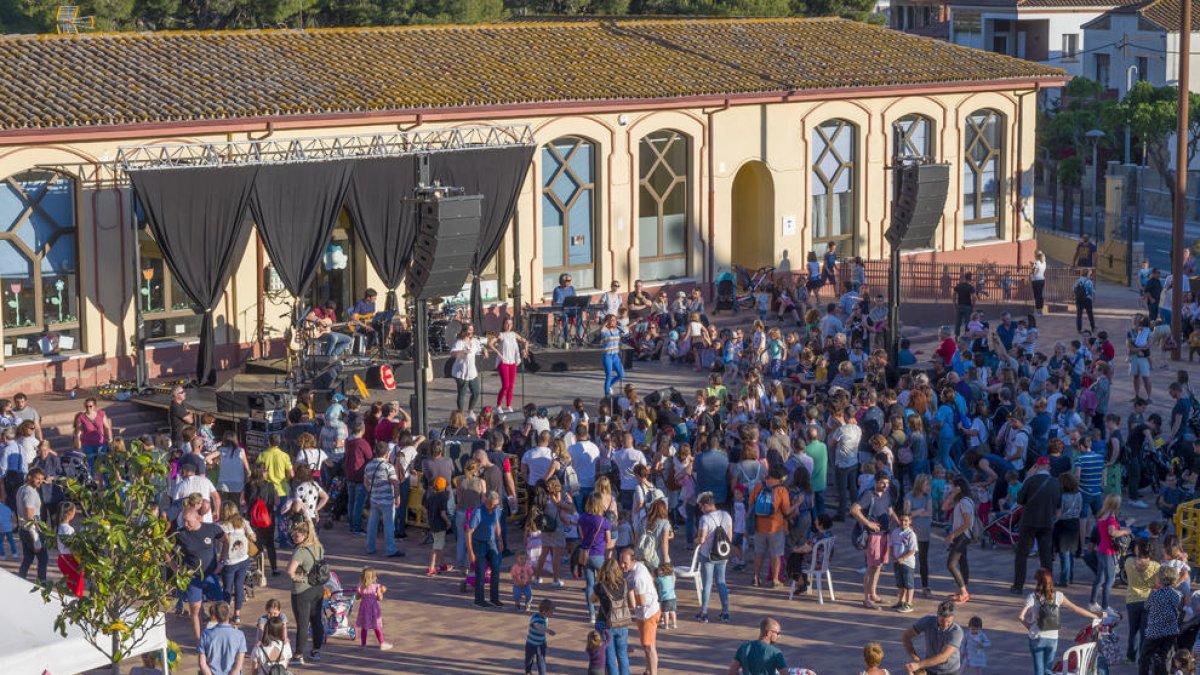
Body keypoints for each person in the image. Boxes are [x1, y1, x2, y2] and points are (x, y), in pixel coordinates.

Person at [1017, 568, 1101, 675]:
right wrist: (1095, 616)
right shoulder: (1058, 596)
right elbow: (1075, 608)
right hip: (1052, 638)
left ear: (1038, 582)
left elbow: (1020, 616)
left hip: (1036, 636)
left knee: (1039, 670)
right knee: (1048, 669)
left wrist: (1028, 625)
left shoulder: (1033, 597)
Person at [1011, 456, 1061, 594]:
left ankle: (1018, 586)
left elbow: (1020, 499)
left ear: (1036, 466)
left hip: (1029, 521)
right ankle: (1047, 587)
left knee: (1022, 554)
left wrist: (1028, 476)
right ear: (1049, 467)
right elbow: (1058, 504)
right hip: (1047, 522)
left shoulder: (1031, 480)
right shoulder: (1055, 483)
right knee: (1046, 556)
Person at [852, 471, 896, 609]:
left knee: (878, 566)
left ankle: (873, 593)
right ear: (876, 482)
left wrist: (900, 523)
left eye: (887, 483)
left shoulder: (887, 494)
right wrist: (868, 523)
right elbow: (854, 509)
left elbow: (890, 510)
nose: (885, 486)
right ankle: (866, 598)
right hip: (873, 536)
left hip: (884, 534)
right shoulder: (868, 494)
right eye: (882, 483)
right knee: (871, 567)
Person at [285, 519, 326, 664]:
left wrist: (297, 578)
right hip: (318, 588)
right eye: (293, 535)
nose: (294, 537)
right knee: (316, 621)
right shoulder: (319, 547)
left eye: (297, 535)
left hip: (302, 591)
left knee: (302, 624)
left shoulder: (300, 551)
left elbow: (289, 571)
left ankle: (298, 655)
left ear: (306, 535)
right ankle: (316, 651)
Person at [619, 547, 661, 675]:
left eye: (625, 563)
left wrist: (627, 599)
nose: (622, 565)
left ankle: (653, 672)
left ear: (633, 561)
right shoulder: (638, 567)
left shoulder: (638, 577)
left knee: (649, 646)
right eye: (621, 562)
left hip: (648, 613)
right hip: (644, 613)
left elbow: (641, 602)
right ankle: (648, 671)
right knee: (647, 645)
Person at [749, 465, 791, 589]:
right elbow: (787, 511)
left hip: (759, 526)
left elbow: (751, 503)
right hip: (776, 527)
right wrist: (796, 505)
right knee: (776, 554)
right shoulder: (781, 490)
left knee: (758, 553)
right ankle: (775, 579)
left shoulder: (759, 486)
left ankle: (755, 577)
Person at [1090, 494, 1132, 613]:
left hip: (1101, 549)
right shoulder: (1111, 517)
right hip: (1109, 551)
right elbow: (1112, 532)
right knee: (1110, 580)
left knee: (1099, 579)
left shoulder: (1102, 514)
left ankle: (1092, 602)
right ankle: (1105, 606)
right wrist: (1125, 531)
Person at [696, 491, 733, 623]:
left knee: (707, 584)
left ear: (706, 505)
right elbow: (729, 536)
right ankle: (725, 612)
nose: (701, 509)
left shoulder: (705, 519)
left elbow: (701, 539)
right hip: (723, 554)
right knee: (721, 582)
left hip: (708, 555)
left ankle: (704, 612)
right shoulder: (726, 515)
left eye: (701, 506)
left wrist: (696, 540)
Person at [217, 501, 255, 624]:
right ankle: (237, 614)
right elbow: (253, 537)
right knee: (239, 585)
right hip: (243, 558)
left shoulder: (221, 526)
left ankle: (225, 614)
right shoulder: (243, 522)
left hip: (229, 561)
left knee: (227, 587)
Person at [1139, 567, 1183, 674]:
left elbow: (1146, 606)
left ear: (1160, 579)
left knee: (1145, 656)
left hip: (1154, 631)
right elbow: (1179, 609)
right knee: (1166, 657)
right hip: (1171, 631)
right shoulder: (1177, 595)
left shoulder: (1155, 594)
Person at [901, 600, 964, 675]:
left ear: (953, 617)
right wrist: (914, 657)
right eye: (942, 621)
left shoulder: (956, 632)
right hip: (930, 669)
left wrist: (919, 665)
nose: (945, 625)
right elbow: (906, 636)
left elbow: (943, 657)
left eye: (948, 622)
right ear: (937, 615)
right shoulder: (927, 621)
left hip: (950, 672)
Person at [363, 443, 403, 558]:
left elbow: (366, 482)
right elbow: (395, 483)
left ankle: (370, 547)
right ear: (386, 453)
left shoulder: (369, 465)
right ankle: (390, 549)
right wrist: (397, 497)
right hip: (387, 500)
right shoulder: (388, 466)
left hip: (374, 499)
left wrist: (373, 490)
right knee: (389, 525)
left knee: (372, 524)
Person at [467, 491, 504, 609]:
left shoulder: (496, 509)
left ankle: (494, 598)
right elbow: (468, 532)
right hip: (479, 543)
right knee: (481, 571)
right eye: (492, 504)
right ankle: (479, 599)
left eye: (496, 505)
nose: (493, 507)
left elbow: (497, 524)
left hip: (491, 542)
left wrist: (500, 540)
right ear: (486, 501)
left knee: (496, 569)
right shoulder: (478, 512)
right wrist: (470, 552)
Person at [487, 317, 528, 414]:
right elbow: (490, 343)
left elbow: (526, 341)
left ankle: (509, 405)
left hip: (512, 362)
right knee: (505, 385)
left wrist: (525, 350)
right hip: (504, 362)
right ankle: (498, 405)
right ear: (503, 324)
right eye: (507, 323)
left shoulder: (514, 334)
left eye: (510, 324)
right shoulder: (501, 335)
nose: (509, 326)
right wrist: (498, 353)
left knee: (511, 386)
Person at [944, 477, 974, 604]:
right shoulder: (961, 501)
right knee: (962, 562)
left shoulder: (964, 502)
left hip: (962, 536)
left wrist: (953, 534)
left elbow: (967, 523)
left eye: (953, 486)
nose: (951, 488)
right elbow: (944, 507)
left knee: (951, 564)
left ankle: (964, 592)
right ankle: (963, 590)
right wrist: (953, 494)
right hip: (961, 536)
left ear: (959, 487)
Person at [198, 601, 247, 675]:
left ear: (215, 615)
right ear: (229, 614)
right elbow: (238, 666)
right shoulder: (239, 635)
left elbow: (202, 664)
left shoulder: (205, 634)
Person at [451, 323, 489, 415]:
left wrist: (484, 351)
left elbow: (480, 349)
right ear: (465, 331)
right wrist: (464, 351)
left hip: (472, 372)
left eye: (472, 330)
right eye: (470, 330)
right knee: (462, 393)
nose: (472, 332)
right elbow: (453, 354)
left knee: (476, 392)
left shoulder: (474, 341)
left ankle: (470, 410)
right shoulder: (459, 342)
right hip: (461, 372)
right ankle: (460, 413)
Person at [355, 567, 392, 650]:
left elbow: (357, 597)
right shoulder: (376, 586)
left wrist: (358, 591)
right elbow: (380, 598)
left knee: (364, 627)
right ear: (374, 577)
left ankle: (363, 645)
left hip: (364, 610)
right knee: (376, 626)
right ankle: (382, 643)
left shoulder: (361, 587)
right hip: (373, 610)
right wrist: (381, 593)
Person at [73, 397, 112, 469]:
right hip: (88, 444)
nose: (88, 408)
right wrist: (78, 442)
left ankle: (104, 476)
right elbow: (78, 432)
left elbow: (107, 427)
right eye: (86, 406)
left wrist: (110, 438)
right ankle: (93, 476)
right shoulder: (81, 417)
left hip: (100, 443)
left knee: (103, 465)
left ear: (94, 406)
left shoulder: (101, 414)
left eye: (90, 406)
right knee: (91, 466)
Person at [525, 598, 557, 675]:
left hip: (541, 643)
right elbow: (536, 625)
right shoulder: (536, 617)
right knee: (529, 660)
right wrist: (547, 630)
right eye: (551, 612)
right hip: (531, 644)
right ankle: (528, 671)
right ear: (544, 611)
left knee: (541, 660)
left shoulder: (545, 617)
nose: (552, 614)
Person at [600, 313, 627, 398]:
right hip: (607, 355)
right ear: (607, 321)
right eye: (612, 320)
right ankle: (607, 395)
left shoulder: (617, 329)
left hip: (615, 355)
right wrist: (607, 322)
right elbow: (601, 329)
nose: (614, 322)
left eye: (615, 320)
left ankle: (608, 386)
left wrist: (634, 322)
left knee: (621, 374)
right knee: (609, 375)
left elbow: (626, 329)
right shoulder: (605, 331)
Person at [952, 272, 976, 338]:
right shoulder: (971, 287)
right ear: (970, 278)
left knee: (958, 322)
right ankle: (966, 336)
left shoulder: (959, 285)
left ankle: (956, 335)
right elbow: (974, 297)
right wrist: (973, 306)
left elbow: (954, 294)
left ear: (965, 277)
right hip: (968, 306)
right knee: (968, 322)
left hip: (959, 306)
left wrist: (954, 303)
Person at [1073, 268, 1096, 334]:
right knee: (1090, 314)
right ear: (1087, 274)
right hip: (1087, 299)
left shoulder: (1078, 280)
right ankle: (1093, 327)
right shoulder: (1089, 281)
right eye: (1089, 273)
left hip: (1079, 299)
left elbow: (1073, 289)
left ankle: (1079, 329)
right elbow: (1091, 290)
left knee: (1079, 315)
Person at [1030, 251, 1047, 315]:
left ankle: (1037, 311)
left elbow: (1035, 272)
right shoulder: (1044, 262)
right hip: (1042, 280)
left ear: (1037, 256)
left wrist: (1032, 268)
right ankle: (1040, 311)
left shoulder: (1037, 262)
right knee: (1040, 296)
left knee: (1037, 296)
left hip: (1036, 280)